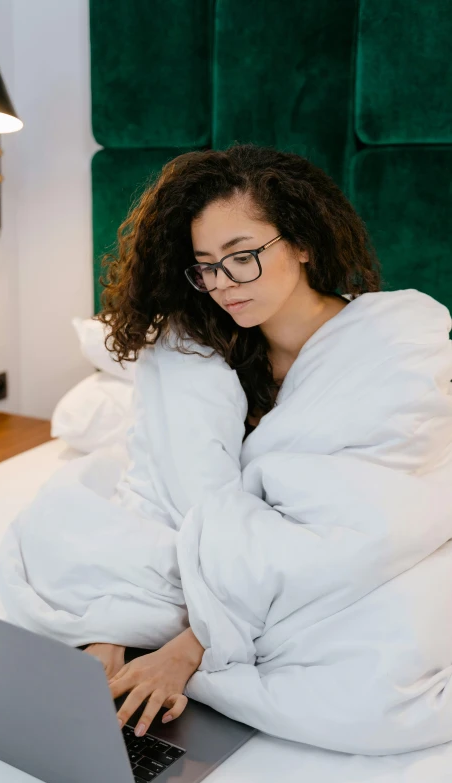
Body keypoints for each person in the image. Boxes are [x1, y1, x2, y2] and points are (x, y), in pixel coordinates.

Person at [84, 142, 384, 737]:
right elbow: (157, 485)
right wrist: (112, 629)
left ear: (302, 242)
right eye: (205, 266)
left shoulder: (375, 350)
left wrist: (188, 647)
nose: (222, 283)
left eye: (241, 256)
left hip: (324, 571)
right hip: (230, 569)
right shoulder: (208, 355)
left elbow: (356, 527)